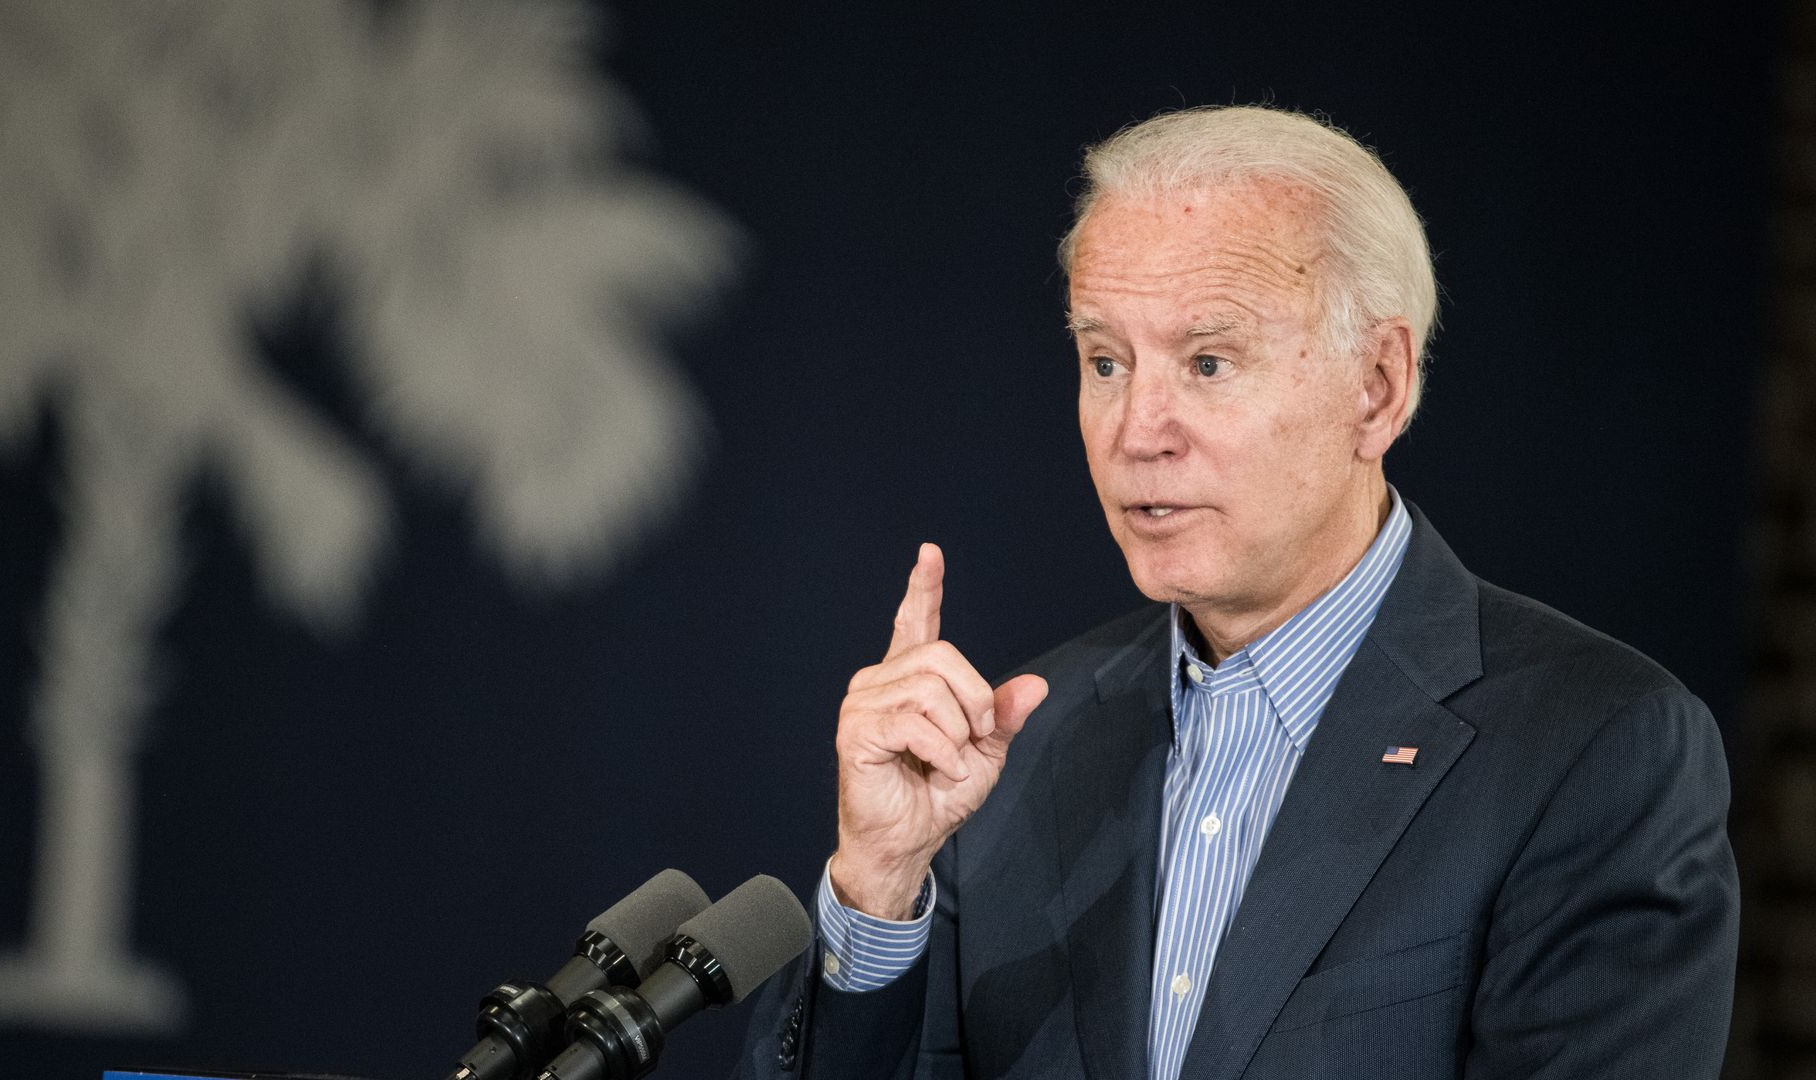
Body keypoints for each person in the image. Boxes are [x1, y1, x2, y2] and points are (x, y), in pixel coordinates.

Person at [733, 105, 1738, 1079]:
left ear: (1377, 387)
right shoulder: (1009, 752)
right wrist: (878, 887)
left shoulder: (1596, 749)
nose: (1137, 431)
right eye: (1105, 361)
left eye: (1209, 362)